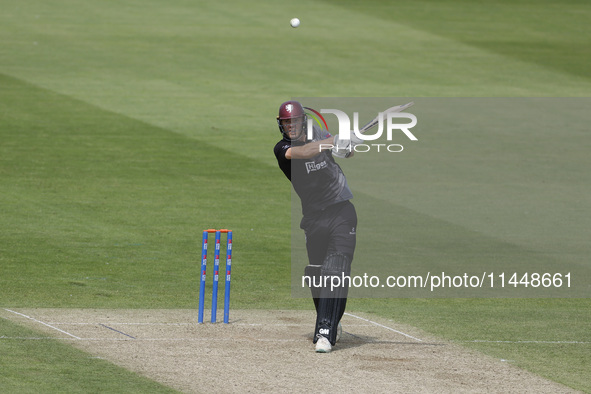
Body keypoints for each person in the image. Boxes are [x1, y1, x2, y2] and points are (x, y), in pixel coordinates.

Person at [273, 100, 360, 353]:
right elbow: (305, 152)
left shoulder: (319, 136)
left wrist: (348, 145)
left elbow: (346, 153)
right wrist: (334, 140)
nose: (291, 126)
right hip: (313, 219)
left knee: (337, 268)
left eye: (295, 121)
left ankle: (324, 332)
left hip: (342, 211)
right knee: (317, 273)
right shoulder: (282, 149)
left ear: (303, 120)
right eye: (286, 122)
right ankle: (332, 322)